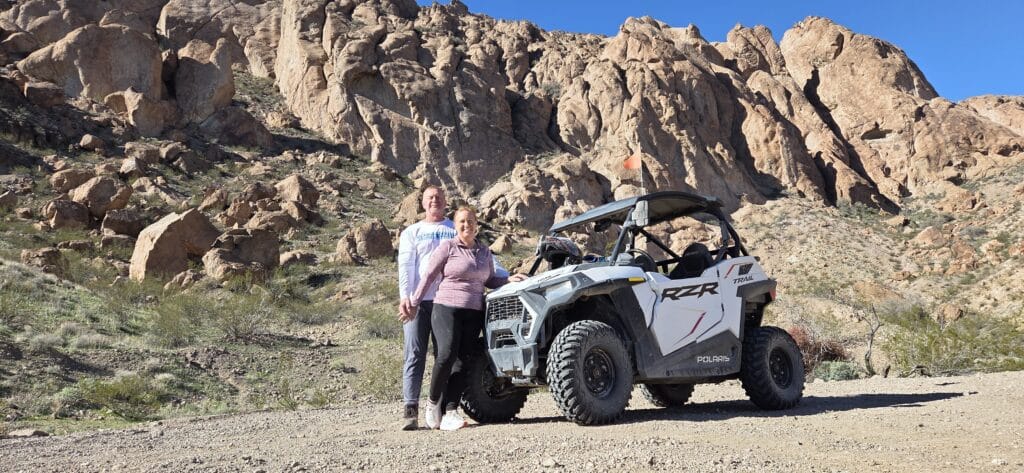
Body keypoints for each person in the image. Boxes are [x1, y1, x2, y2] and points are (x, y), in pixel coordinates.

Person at [396, 187, 510, 430]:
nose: (434, 200)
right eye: (430, 197)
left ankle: (448, 410)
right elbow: (408, 267)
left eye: (439, 197)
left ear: (446, 202)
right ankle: (411, 409)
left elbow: (489, 268)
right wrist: (407, 298)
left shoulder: (456, 230)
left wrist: (509, 278)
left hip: (458, 304)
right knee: (416, 353)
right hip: (428, 301)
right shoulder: (412, 232)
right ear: (423, 203)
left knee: (450, 357)